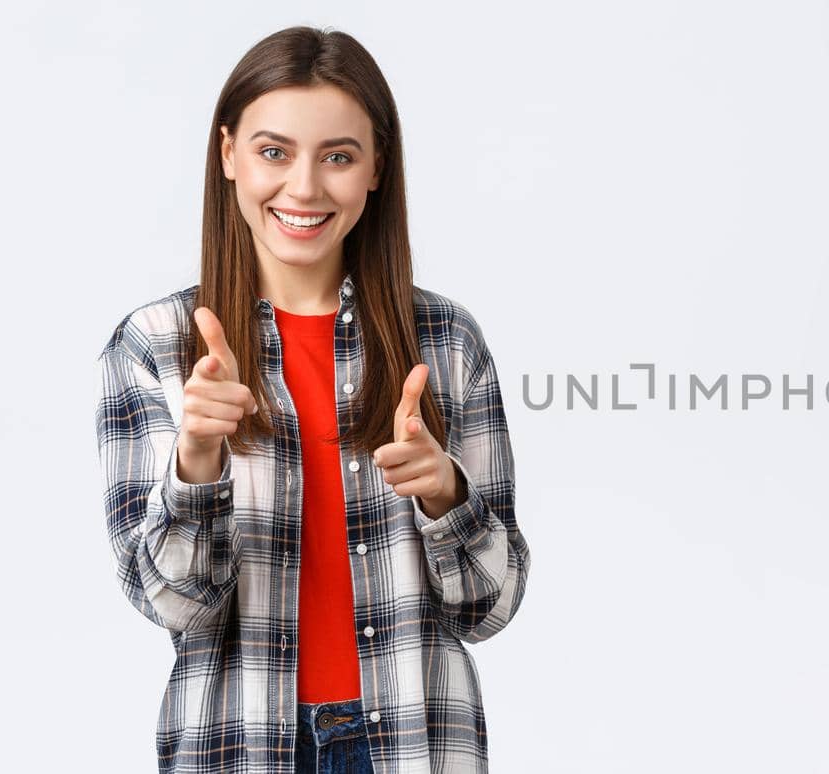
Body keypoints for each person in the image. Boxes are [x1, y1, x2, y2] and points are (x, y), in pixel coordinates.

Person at [93, 26, 530, 774]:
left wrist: (445, 495)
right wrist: (197, 463)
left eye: (337, 156)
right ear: (228, 154)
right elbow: (176, 605)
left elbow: (489, 606)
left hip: (416, 744)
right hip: (238, 744)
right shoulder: (155, 344)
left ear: (375, 170)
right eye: (274, 152)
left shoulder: (446, 341)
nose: (303, 187)